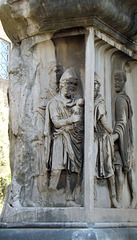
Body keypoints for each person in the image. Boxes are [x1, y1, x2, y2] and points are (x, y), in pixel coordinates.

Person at [44, 67, 84, 203]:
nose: (71, 87)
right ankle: (49, 196)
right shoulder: (54, 103)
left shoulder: (76, 102)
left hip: (75, 139)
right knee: (57, 169)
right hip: (60, 139)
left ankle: (70, 197)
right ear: (61, 84)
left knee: (74, 169)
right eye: (68, 84)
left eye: (73, 85)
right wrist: (70, 120)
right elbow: (56, 123)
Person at [113, 71, 137, 208]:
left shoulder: (121, 99)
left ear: (124, 82)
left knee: (122, 167)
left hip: (122, 139)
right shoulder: (124, 98)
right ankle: (135, 196)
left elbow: (122, 122)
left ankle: (120, 200)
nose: (116, 83)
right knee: (126, 167)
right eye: (115, 80)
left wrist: (114, 136)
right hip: (125, 138)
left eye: (119, 80)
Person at [94, 73, 120, 208]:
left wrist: (113, 132)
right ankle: (92, 196)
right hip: (93, 140)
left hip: (103, 139)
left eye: (95, 84)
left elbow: (105, 123)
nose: (93, 87)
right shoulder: (88, 102)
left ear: (98, 87)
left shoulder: (99, 103)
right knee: (91, 167)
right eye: (91, 84)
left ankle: (113, 198)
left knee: (109, 168)